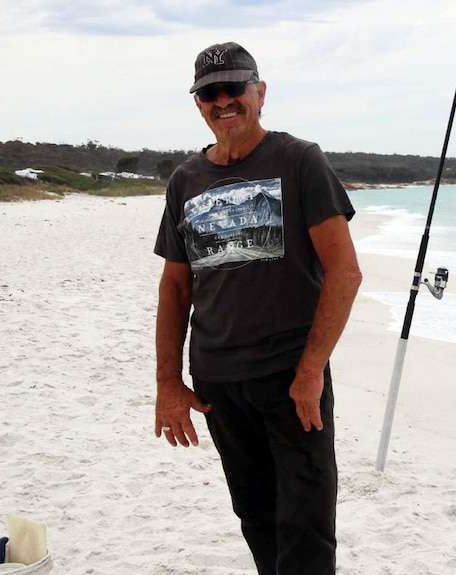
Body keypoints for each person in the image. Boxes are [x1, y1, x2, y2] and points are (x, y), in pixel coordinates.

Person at [153, 41, 362, 575]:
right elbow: (175, 289)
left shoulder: (298, 160)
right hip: (220, 381)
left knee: (306, 521)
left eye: (233, 89)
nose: (222, 101)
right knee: (255, 515)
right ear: (198, 103)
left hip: (290, 377)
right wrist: (168, 385)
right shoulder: (185, 181)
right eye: (208, 93)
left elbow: (345, 271)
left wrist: (311, 370)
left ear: (259, 93)